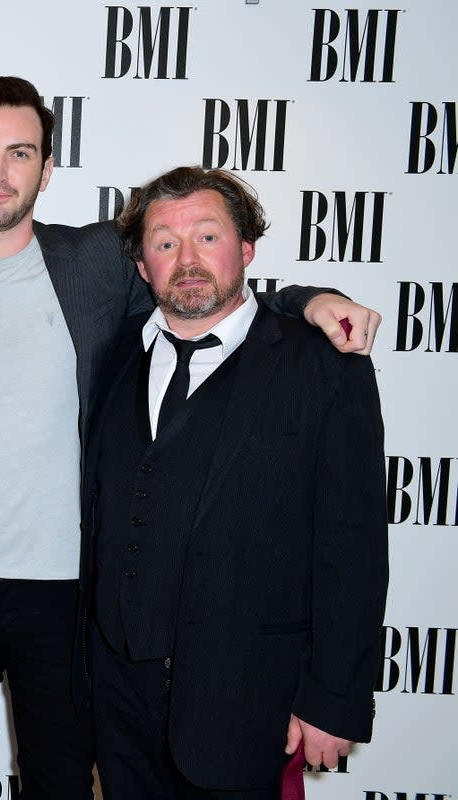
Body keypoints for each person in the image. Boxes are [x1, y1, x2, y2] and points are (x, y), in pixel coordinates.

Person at [0, 77, 381, 799]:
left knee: (58, 780)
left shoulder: (91, 263)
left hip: (62, 592)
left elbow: (205, 286)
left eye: (18, 153)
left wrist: (309, 301)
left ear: (47, 169)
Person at [81, 166, 388, 799]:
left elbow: (352, 544)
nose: (186, 259)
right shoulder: (115, 353)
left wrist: (334, 697)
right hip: (118, 703)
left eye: (207, 236)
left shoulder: (322, 360)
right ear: (143, 267)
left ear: (246, 249)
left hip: (249, 700)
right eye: (164, 242)